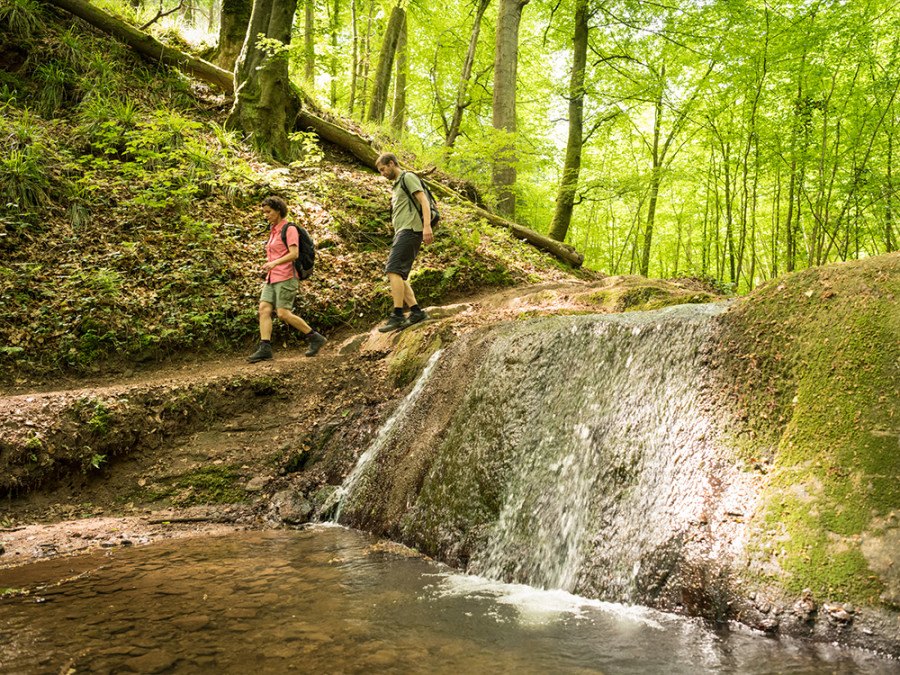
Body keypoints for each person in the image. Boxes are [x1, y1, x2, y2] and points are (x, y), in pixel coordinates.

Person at [247, 196, 327, 362]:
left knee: (283, 313)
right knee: (264, 309)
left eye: (268, 212)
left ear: (278, 211)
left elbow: (294, 254)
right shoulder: (273, 230)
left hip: (286, 276)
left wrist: (273, 263)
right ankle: (265, 348)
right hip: (272, 277)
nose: (266, 215)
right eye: (264, 212)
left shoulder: (289, 229)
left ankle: (314, 337)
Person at [374, 152, 433, 333]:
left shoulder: (408, 177)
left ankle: (398, 314)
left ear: (391, 163)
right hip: (402, 231)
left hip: (411, 230)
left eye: (383, 169)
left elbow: (424, 201)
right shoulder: (396, 185)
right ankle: (416, 312)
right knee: (399, 274)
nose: (382, 174)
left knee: (392, 270)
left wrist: (427, 227)